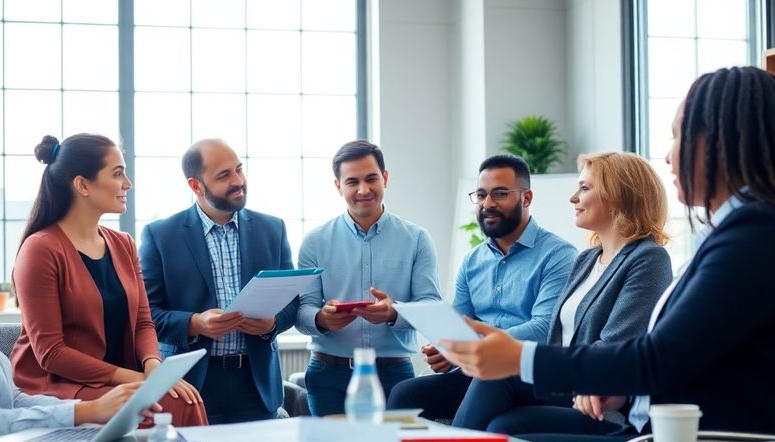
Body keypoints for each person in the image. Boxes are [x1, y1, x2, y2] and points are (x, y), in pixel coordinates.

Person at [441, 66, 775, 442]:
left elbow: (659, 358)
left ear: (727, 140)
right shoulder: (751, 231)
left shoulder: (759, 236)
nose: (669, 155)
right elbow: (689, 357)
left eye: (678, 135)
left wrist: (518, 356)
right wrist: (624, 388)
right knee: (508, 440)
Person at [452, 151, 672, 436]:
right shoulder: (588, 259)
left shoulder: (648, 259)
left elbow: (618, 348)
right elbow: (559, 338)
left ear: (618, 196)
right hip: (564, 386)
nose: (573, 198)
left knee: (503, 412)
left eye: (584, 188)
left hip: (599, 401)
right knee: (486, 393)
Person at [10, 134, 208, 428]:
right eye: (117, 174)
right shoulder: (41, 248)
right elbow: (51, 354)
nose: (128, 183)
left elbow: (143, 322)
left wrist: (154, 367)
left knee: (185, 398)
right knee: (170, 405)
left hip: (118, 381)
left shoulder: (124, 244)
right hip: (59, 384)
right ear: (82, 185)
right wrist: (139, 379)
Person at [386, 154, 577, 421]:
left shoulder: (559, 256)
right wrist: (448, 348)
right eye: (481, 194)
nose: (488, 204)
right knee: (404, 394)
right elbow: (459, 322)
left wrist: (473, 345)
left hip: (526, 374)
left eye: (500, 194)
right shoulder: (472, 261)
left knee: (488, 384)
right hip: (478, 372)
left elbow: (544, 328)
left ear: (526, 198)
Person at [140, 139, 297, 424]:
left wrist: (271, 324)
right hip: (192, 385)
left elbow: (292, 301)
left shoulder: (272, 229)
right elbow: (146, 315)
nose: (238, 181)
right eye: (224, 175)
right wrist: (195, 323)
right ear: (195, 186)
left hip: (256, 384)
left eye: (239, 169)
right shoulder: (161, 236)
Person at [295, 140, 442, 416]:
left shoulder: (417, 239)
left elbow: (431, 305)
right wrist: (322, 319)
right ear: (338, 187)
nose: (363, 190)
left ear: (385, 178)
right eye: (352, 182)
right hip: (328, 375)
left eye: (371, 179)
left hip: (394, 375)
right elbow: (302, 310)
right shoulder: (315, 242)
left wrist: (393, 312)